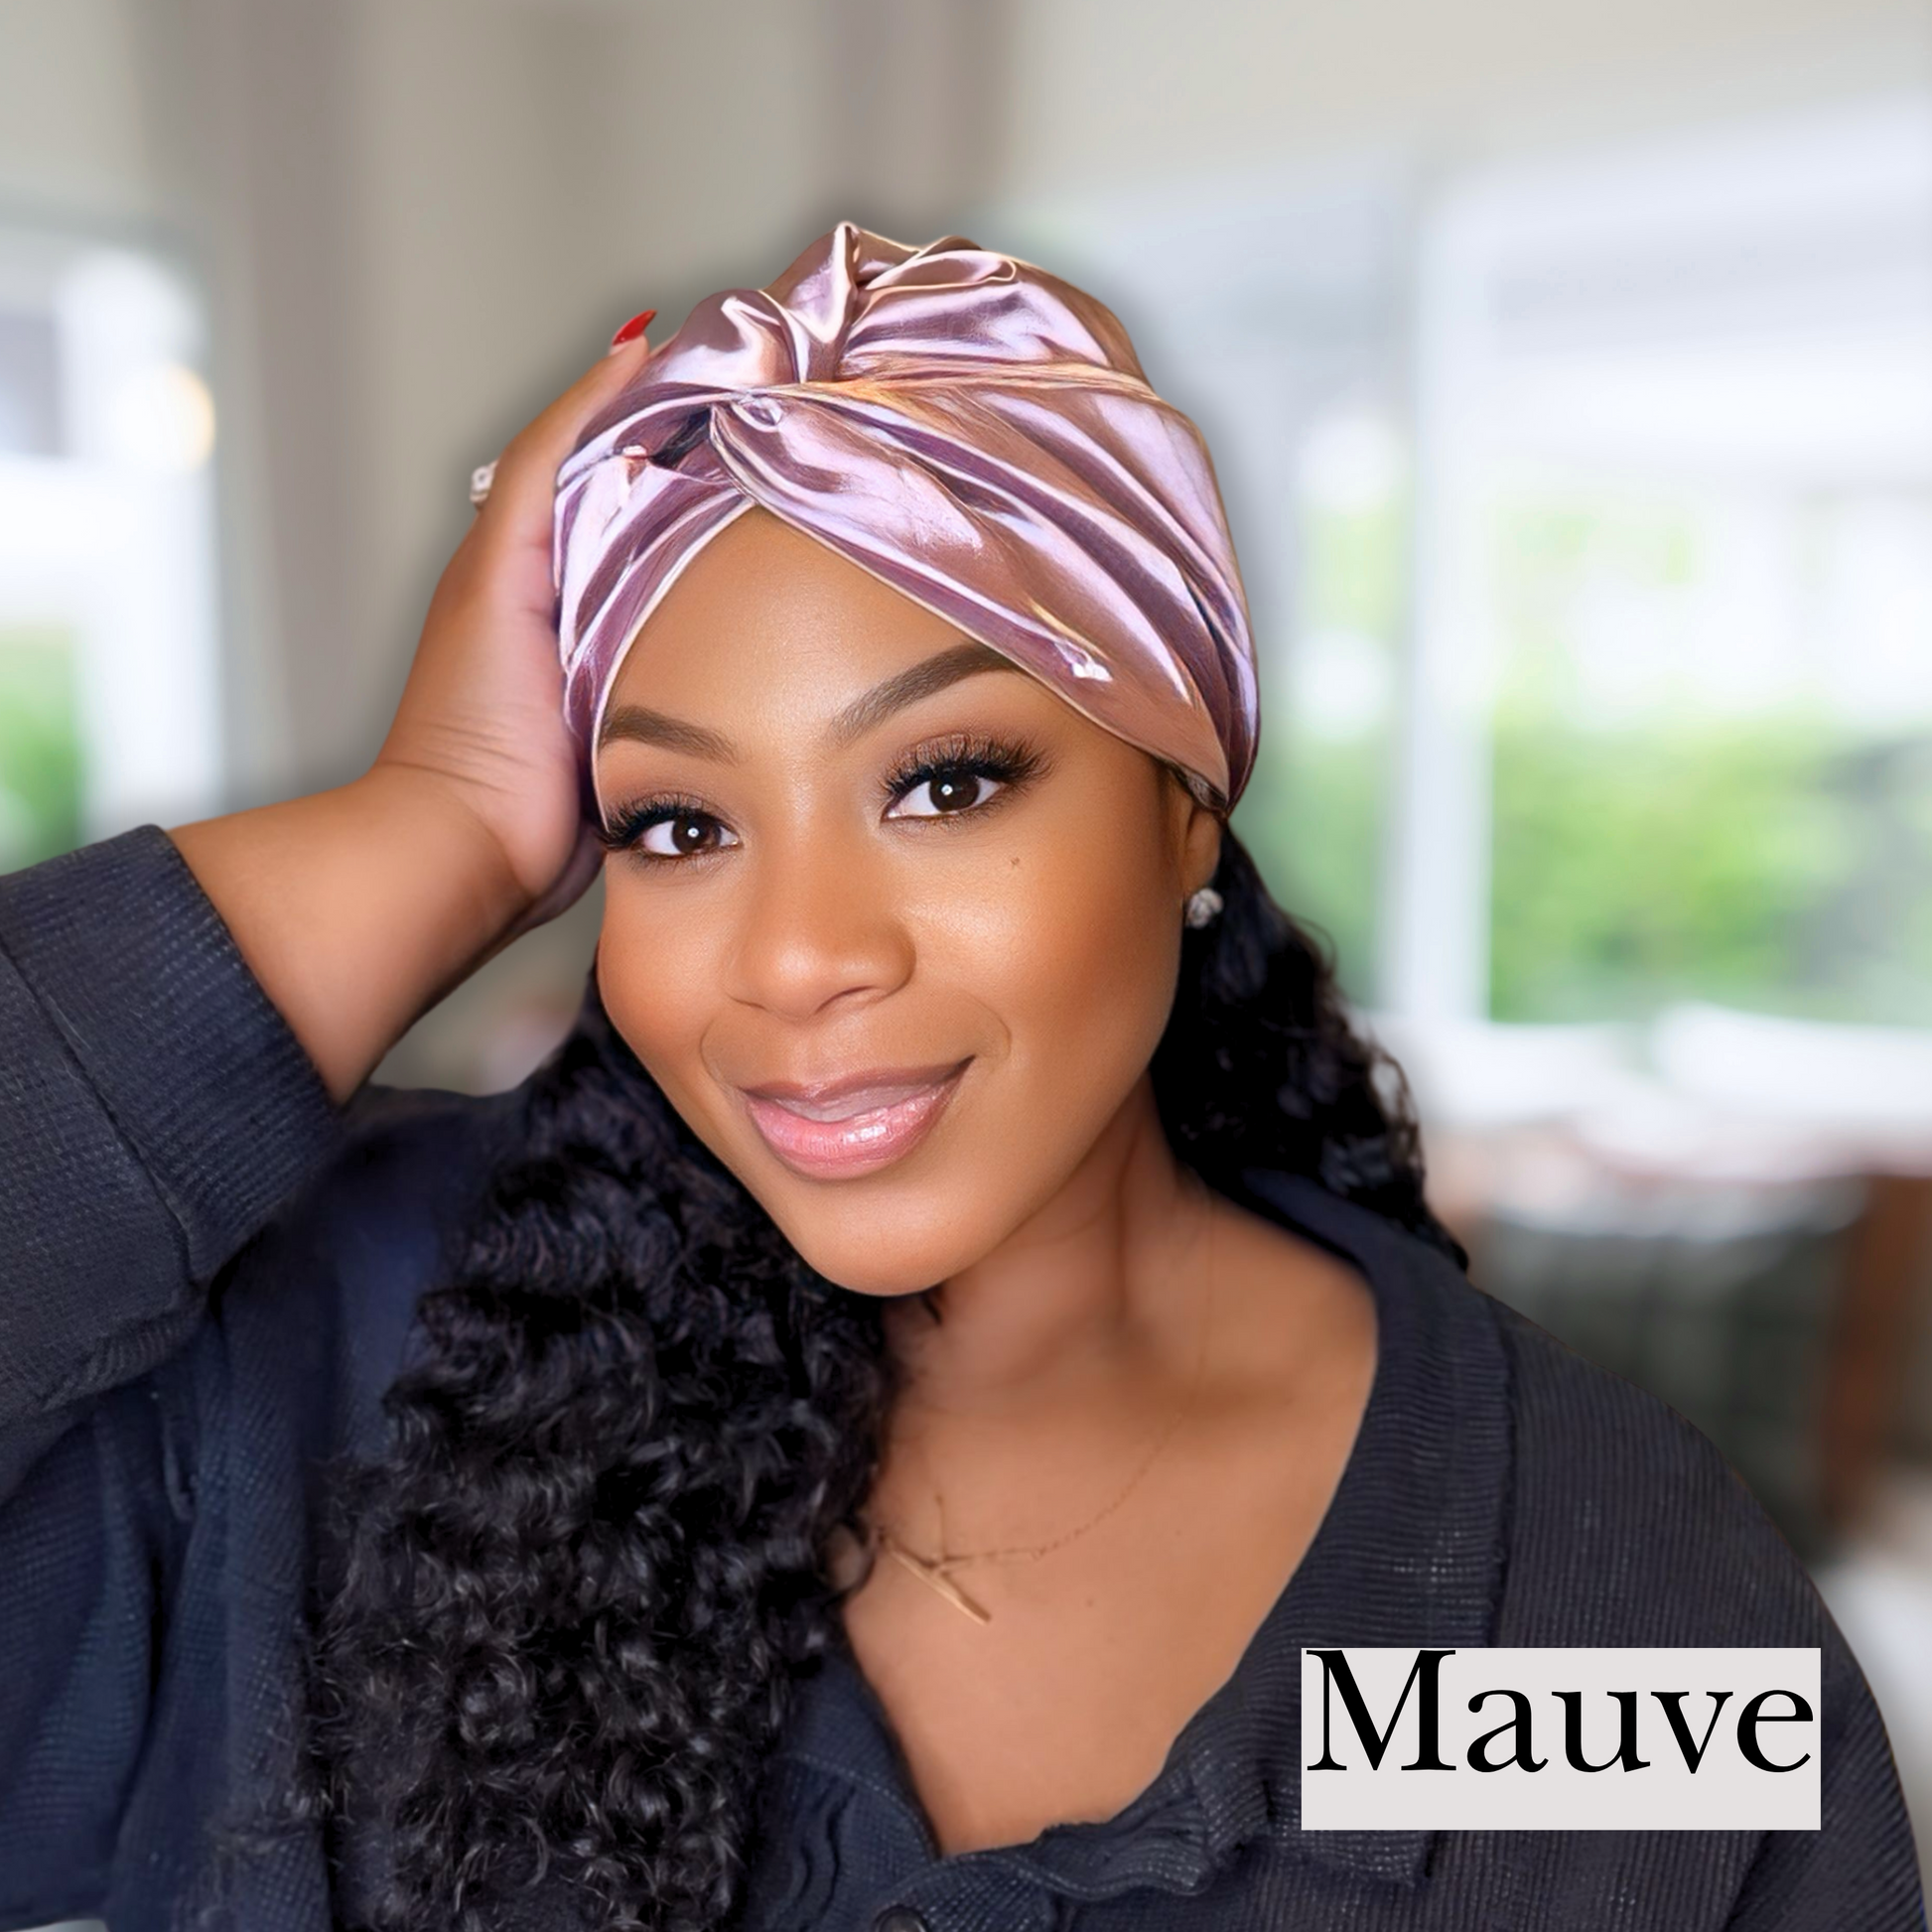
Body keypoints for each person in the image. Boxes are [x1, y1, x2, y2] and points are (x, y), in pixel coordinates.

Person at [0, 224, 1920, 1932]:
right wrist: (430, 828)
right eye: (673, 822)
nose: (796, 952)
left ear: (1187, 810)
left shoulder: (1571, 1608)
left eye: (944, 781)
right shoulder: (329, 1381)